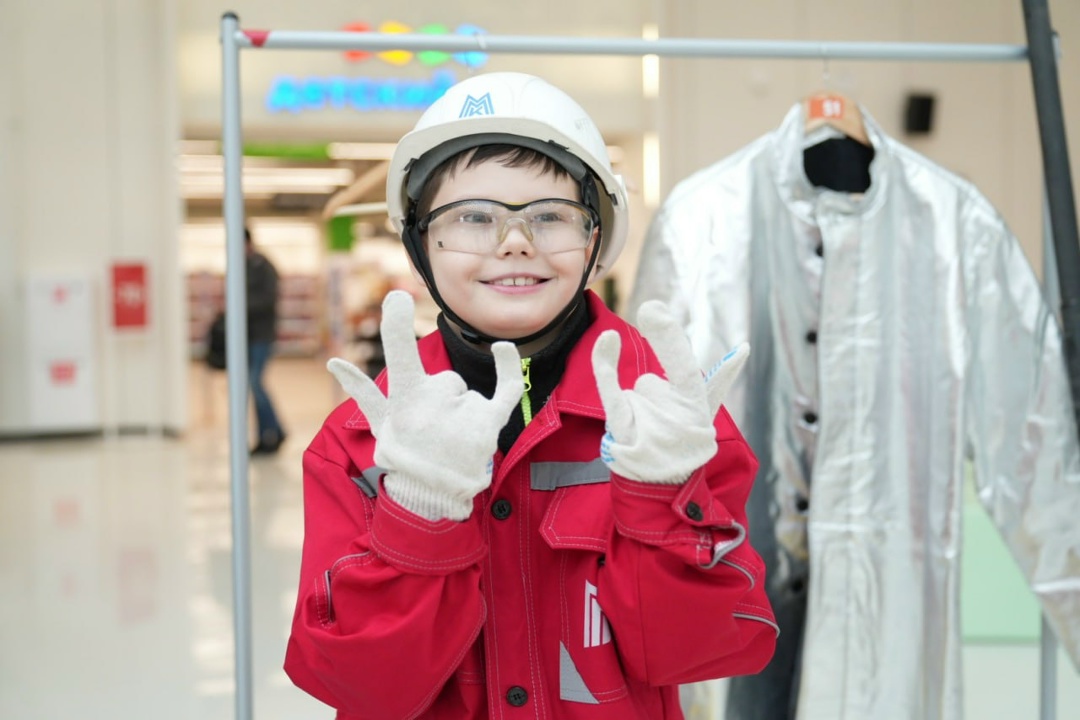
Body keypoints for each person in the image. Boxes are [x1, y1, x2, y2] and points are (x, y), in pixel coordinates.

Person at [284, 72, 777, 719]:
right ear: (419, 243)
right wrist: (419, 512)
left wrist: (661, 500)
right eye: (473, 217)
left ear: (595, 237)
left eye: (549, 216)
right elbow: (361, 688)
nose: (515, 241)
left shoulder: (666, 424)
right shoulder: (360, 443)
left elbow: (707, 652)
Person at [245, 226, 286, 454]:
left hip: (261, 335)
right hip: (250, 336)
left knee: (255, 383)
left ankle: (275, 432)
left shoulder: (263, 266)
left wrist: (240, 306)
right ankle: (267, 435)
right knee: (254, 386)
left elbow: (269, 299)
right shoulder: (243, 266)